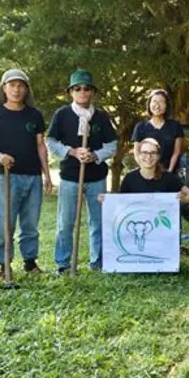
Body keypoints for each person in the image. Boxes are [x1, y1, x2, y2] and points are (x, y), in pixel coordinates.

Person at [47, 69, 117, 274]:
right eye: (77, 88)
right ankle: (63, 263)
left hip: (96, 177)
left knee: (98, 221)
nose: (82, 92)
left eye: (87, 88)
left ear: (92, 92)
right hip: (70, 176)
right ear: (71, 92)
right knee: (65, 222)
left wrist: (95, 155)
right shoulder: (62, 115)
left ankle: (98, 262)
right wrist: (72, 151)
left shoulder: (102, 117)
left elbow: (112, 145)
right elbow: (51, 141)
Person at [0, 69, 52, 277]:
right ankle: (4, 265)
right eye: (11, 85)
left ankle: (30, 262)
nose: (16, 89)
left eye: (20, 85)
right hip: (8, 177)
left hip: (33, 177)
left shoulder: (34, 115)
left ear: (26, 89)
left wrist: (47, 175)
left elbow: (41, 145)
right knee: (5, 223)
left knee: (30, 223)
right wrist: (0, 156)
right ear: (4, 88)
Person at [99, 138, 189, 202]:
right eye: (144, 152)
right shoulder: (130, 179)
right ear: (139, 155)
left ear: (158, 156)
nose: (148, 157)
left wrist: (183, 199)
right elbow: (120, 201)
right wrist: (107, 200)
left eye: (153, 153)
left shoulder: (169, 178)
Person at [131, 89, 184, 173]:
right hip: (146, 172)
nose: (157, 105)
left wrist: (169, 171)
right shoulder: (140, 127)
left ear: (166, 106)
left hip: (169, 172)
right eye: (154, 101)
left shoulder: (175, 126)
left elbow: (176, 152)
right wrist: (146, 170)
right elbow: (136, 152)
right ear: (149, 104)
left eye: (160, 102)